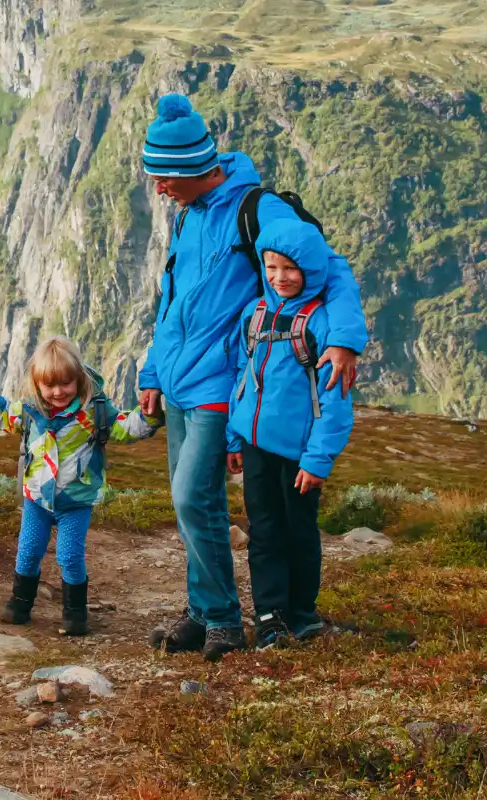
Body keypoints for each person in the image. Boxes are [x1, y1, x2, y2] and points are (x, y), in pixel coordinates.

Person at [135, 92, 369, 661]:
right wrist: (151, 369)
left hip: (223, 380)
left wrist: (343, 339)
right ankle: (201, 612)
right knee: (190, 502)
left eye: (164, 177)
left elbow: (328, 264)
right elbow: (171, 299)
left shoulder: (257, 211)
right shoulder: (188, 216)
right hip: (180, 380)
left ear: (193, 169)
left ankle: (220, 619)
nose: (159, 189)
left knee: (194, 499)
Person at [0, 337, 161, 637]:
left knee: (69, 556)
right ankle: (20, 603)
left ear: (79, 379)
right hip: (37, 499)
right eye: (50, 385)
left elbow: (125, 427)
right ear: (37, 384)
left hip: (76, 500)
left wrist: (150, 417)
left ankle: (75, 612)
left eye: (66, 383)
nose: (58, 392)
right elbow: (4, 414)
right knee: (28, 551)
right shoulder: (31, 411)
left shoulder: (94, 412)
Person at [230, 237, 357, 649]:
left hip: (300, 454)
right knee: (264, 532)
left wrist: (318, 459)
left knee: (300, 532)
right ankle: (270, 617)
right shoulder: (254, 313)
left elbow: (335, 400)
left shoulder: (320, 323)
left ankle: (302, 615)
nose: (280, 277)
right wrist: (234, 435)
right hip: (255, 446)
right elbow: (241, 375)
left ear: (311, 270)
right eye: (271, 267)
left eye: (290, 268)